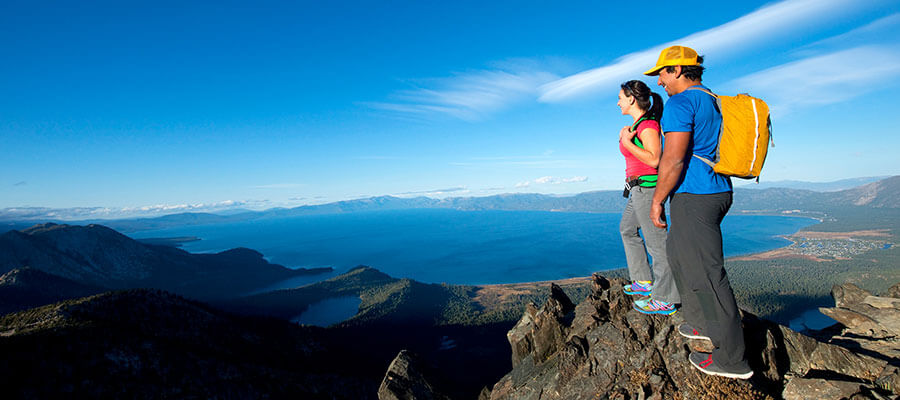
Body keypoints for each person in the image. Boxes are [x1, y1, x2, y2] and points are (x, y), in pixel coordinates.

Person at [644, 45, 753, 379]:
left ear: (677, 70)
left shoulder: (681, 103)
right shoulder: (712, 99)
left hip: (696, 196)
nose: (659, 81)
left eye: (662, 73)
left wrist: (657, 199)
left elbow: (674, 159)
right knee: (678, 257)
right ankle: (702, 324)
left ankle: (732, 359)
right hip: (714, 192)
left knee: (708, 274)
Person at [615, 80, 680, 315]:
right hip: (636, 190)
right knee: (627, 229)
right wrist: (627, 138)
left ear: (632, 99)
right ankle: (643, 280)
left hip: (648, 190)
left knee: (657, 244)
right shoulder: (638, 125)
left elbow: (654, 159)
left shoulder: (648, 125)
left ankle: (666, 298)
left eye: (621, 97)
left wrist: (627, 142)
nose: (618, 102)